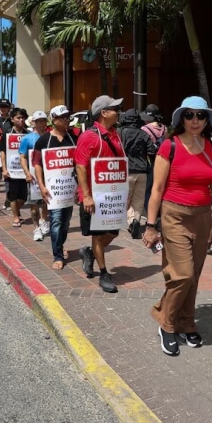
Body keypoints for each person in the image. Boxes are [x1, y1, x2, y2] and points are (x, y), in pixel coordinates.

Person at [144, 96, 212, 356]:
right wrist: (150, 225)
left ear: (207, 120)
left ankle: (187, 322)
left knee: (195, 275)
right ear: (181, 118)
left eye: (200, 116)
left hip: (203, 217)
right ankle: (166, 323)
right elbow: (156, 189)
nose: (195, 120)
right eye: (189, 115)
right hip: (174, 215)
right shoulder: (169, 146)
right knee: (182, 274)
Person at [75, 95, 125, 293]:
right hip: (94, 197)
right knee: (97, 234)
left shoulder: (115, 134)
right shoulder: (89, 136)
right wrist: (86, 196)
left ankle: (89, 252)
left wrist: (124, 193)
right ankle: (104, 273)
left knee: (113, 232)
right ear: (103, 113)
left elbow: (119, 165)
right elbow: (80, 166)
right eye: (114, 109)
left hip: (112, 196)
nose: (118, 112)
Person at [34, 105, 78, 270]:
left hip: (69, 189)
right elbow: (37, 163)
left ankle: (60, 244)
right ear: (54, 120)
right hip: (53, 190)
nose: (67, 119)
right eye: (63, 117)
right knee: (56, 220)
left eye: (68, 116)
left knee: (66, 222)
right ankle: (57, 255)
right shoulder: (44, 140)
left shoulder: (73, 138)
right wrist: (41, 185)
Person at [119, 109, 157, 239]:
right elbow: (151, 151)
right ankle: (136, 219)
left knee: (126, 199)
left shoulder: (120, 133)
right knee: (138, 200)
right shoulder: (144, 134)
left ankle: (131, 222)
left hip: (126, 171)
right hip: (142, 171)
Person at [20, 110, 51, 241]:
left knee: (46, 201)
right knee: (33, 205)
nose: (41, 123)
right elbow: (22, 157)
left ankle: (44, 221)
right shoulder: (27, 138)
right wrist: (27, 173)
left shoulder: (50, 136)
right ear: (34, 122)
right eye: (38, 121)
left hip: (48, 174)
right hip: (33, 175)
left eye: (43, 120)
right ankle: (36, 227)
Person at [1, 108, 30, 227]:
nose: (21, 120)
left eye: (23, 117)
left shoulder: (28, 134)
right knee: (12, 194)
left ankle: (16, 210)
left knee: (24, 196)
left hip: (25, 171)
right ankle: (16, 217)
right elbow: (2, 152)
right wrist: (4, 169)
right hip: (11, 170)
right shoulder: (7, 133)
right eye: (18, 118)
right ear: (12, 119)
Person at [140, 104, 168, 213]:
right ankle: (160, 212)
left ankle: (151, 213)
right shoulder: (164, 128)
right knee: (161, 187)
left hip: (150, 161)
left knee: (149, 189)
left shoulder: (144, 129)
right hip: (163, 160)